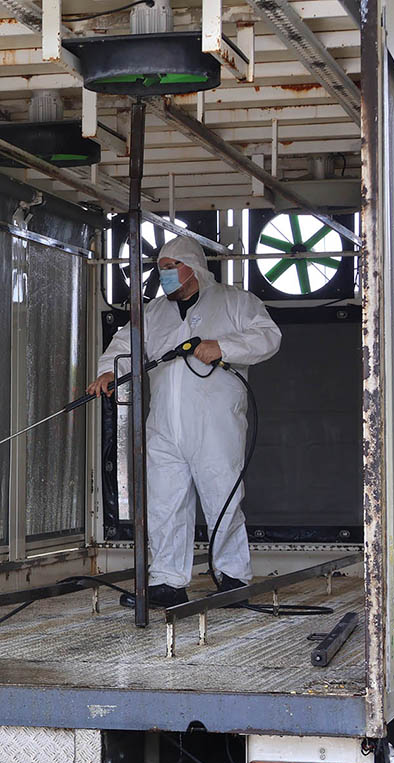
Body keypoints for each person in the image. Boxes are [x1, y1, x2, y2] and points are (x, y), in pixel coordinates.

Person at [88, 235, 281, 607]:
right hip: (163, 424)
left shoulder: (234, 302)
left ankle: (233, 577)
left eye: (171, 267)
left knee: (222, 496)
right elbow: (124, 346)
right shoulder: (152, 312)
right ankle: (167, 581)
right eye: (160, 269)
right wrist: (109, 372)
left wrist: (222, 347)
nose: (164, 276)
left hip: (215, 422)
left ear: (191, 267)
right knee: (164, 502)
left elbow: (269, 337)